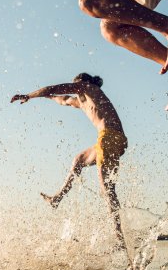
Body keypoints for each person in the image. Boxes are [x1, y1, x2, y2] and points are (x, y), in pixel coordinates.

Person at [10, 73, 128, 249]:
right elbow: (61, 98)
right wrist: (47, 97)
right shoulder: (81, 101)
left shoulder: (89, 88)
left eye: (77, 85)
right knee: (79, 160)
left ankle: (119, 239)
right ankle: (57, 198)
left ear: (84, 82)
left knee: (107, 190)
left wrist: (29, 95)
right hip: (110, 140)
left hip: (109, 138)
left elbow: (54, 88)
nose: (76, 88)